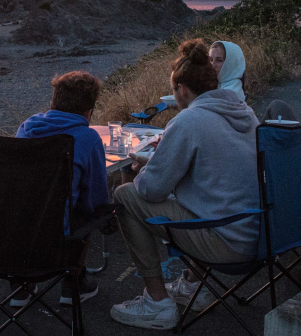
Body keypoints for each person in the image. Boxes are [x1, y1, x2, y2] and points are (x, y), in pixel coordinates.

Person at [109, 39, 261, 330]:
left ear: (181, 89)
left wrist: (147, 167)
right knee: (201, 199)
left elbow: (151, 190)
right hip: (258, 231)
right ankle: (192, 288)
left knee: (124, 196)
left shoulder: (189, 120)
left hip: (227, 242)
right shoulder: (244, 111)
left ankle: (157, 304)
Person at [13, 70, 109, 306]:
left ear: (51, 103)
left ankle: (22, 285)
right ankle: (72, 282)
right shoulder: (87, 138)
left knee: (32, 207)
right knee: (87, 212)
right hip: (58, 235)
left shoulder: (26, 128)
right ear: (89, 112)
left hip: (11, 229)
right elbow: (96, 199)